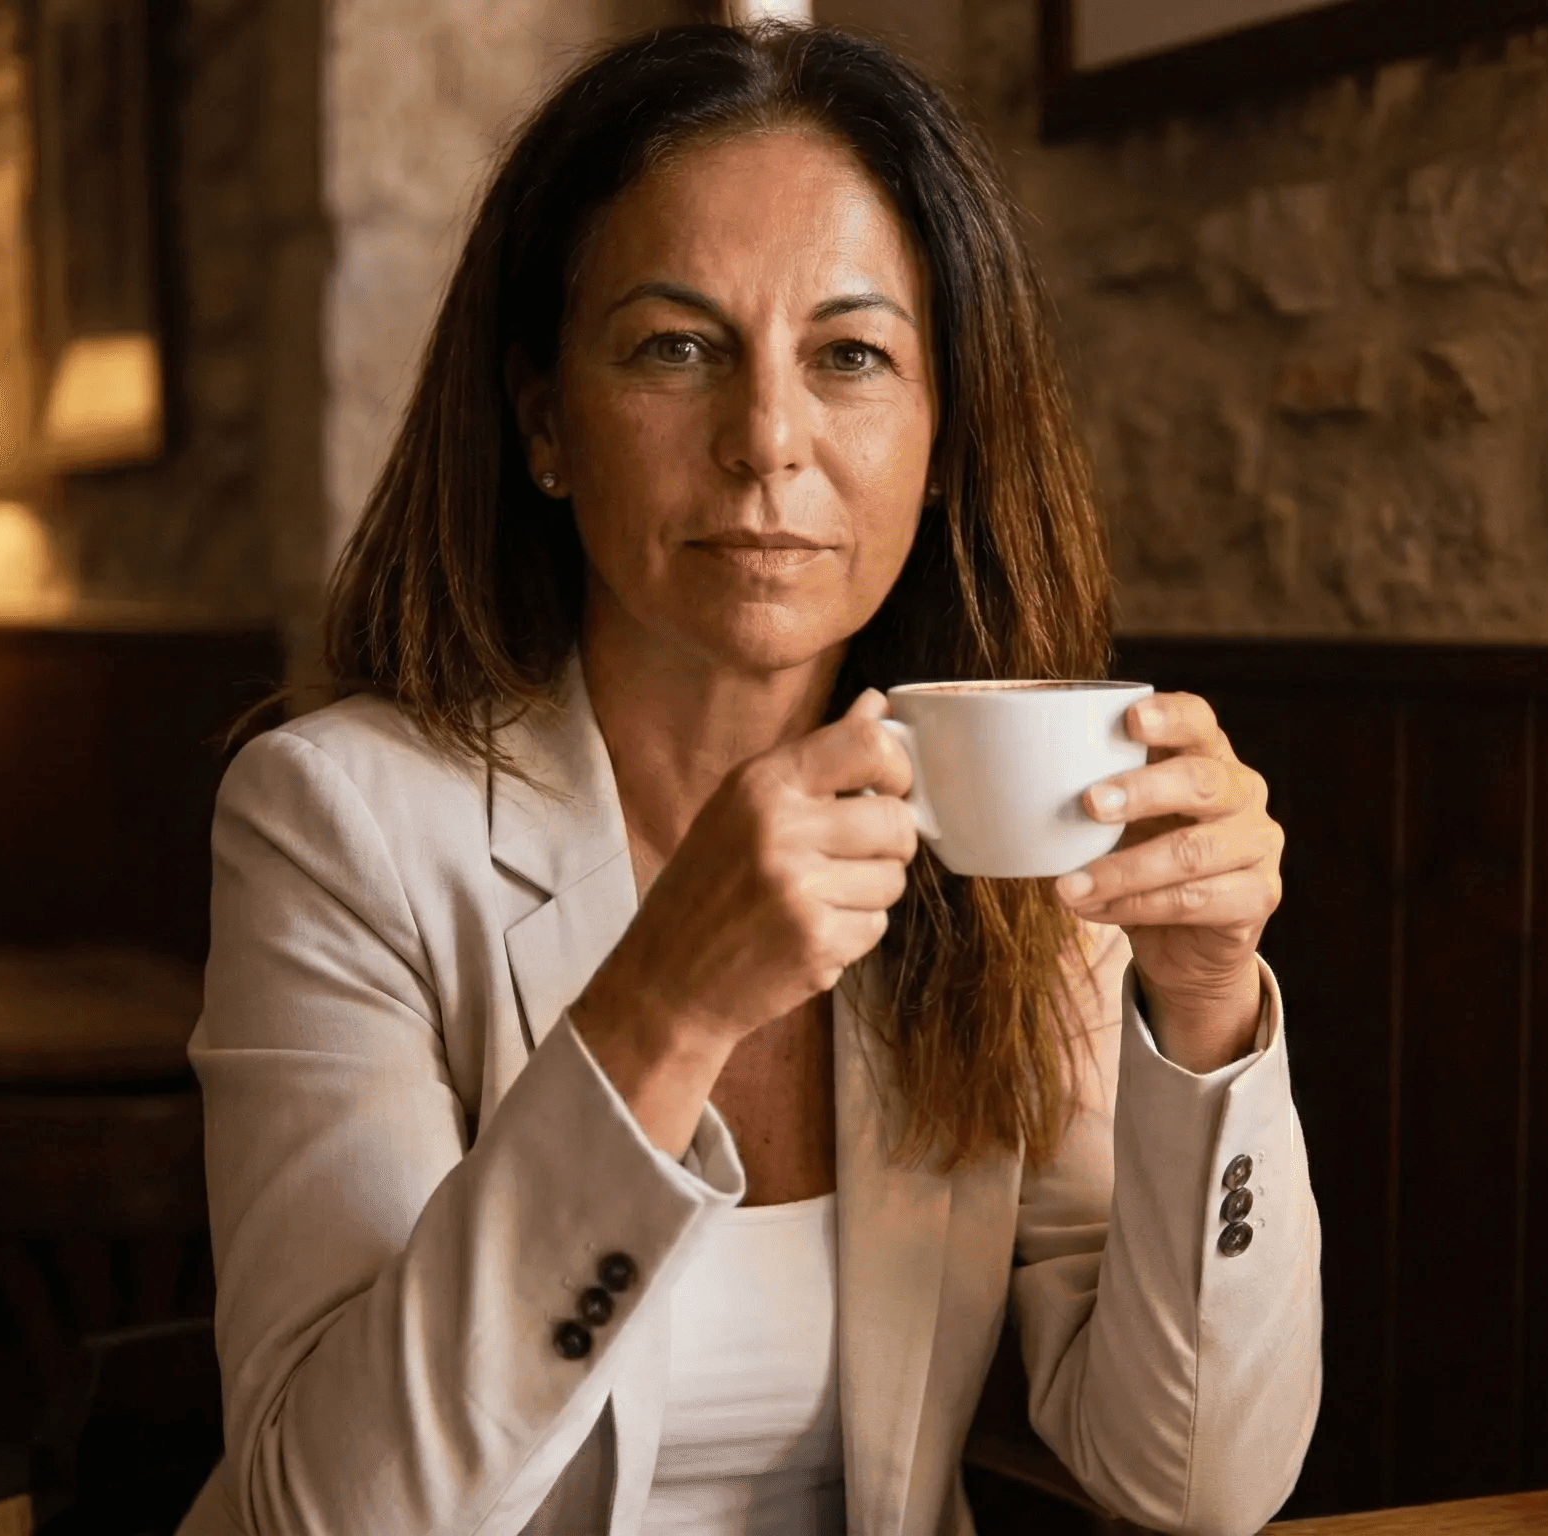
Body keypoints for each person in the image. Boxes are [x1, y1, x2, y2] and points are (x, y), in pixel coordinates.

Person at [179, 21, 1321, 1536]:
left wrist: (1209, 1015)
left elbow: (1197, 1483)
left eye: (850, 355)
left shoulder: (999, 831)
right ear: (543, 424)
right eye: (675, 347)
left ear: (941, 436)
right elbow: (322, 1511)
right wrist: (664, 1010)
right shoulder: (339, 823)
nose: (766, 440)